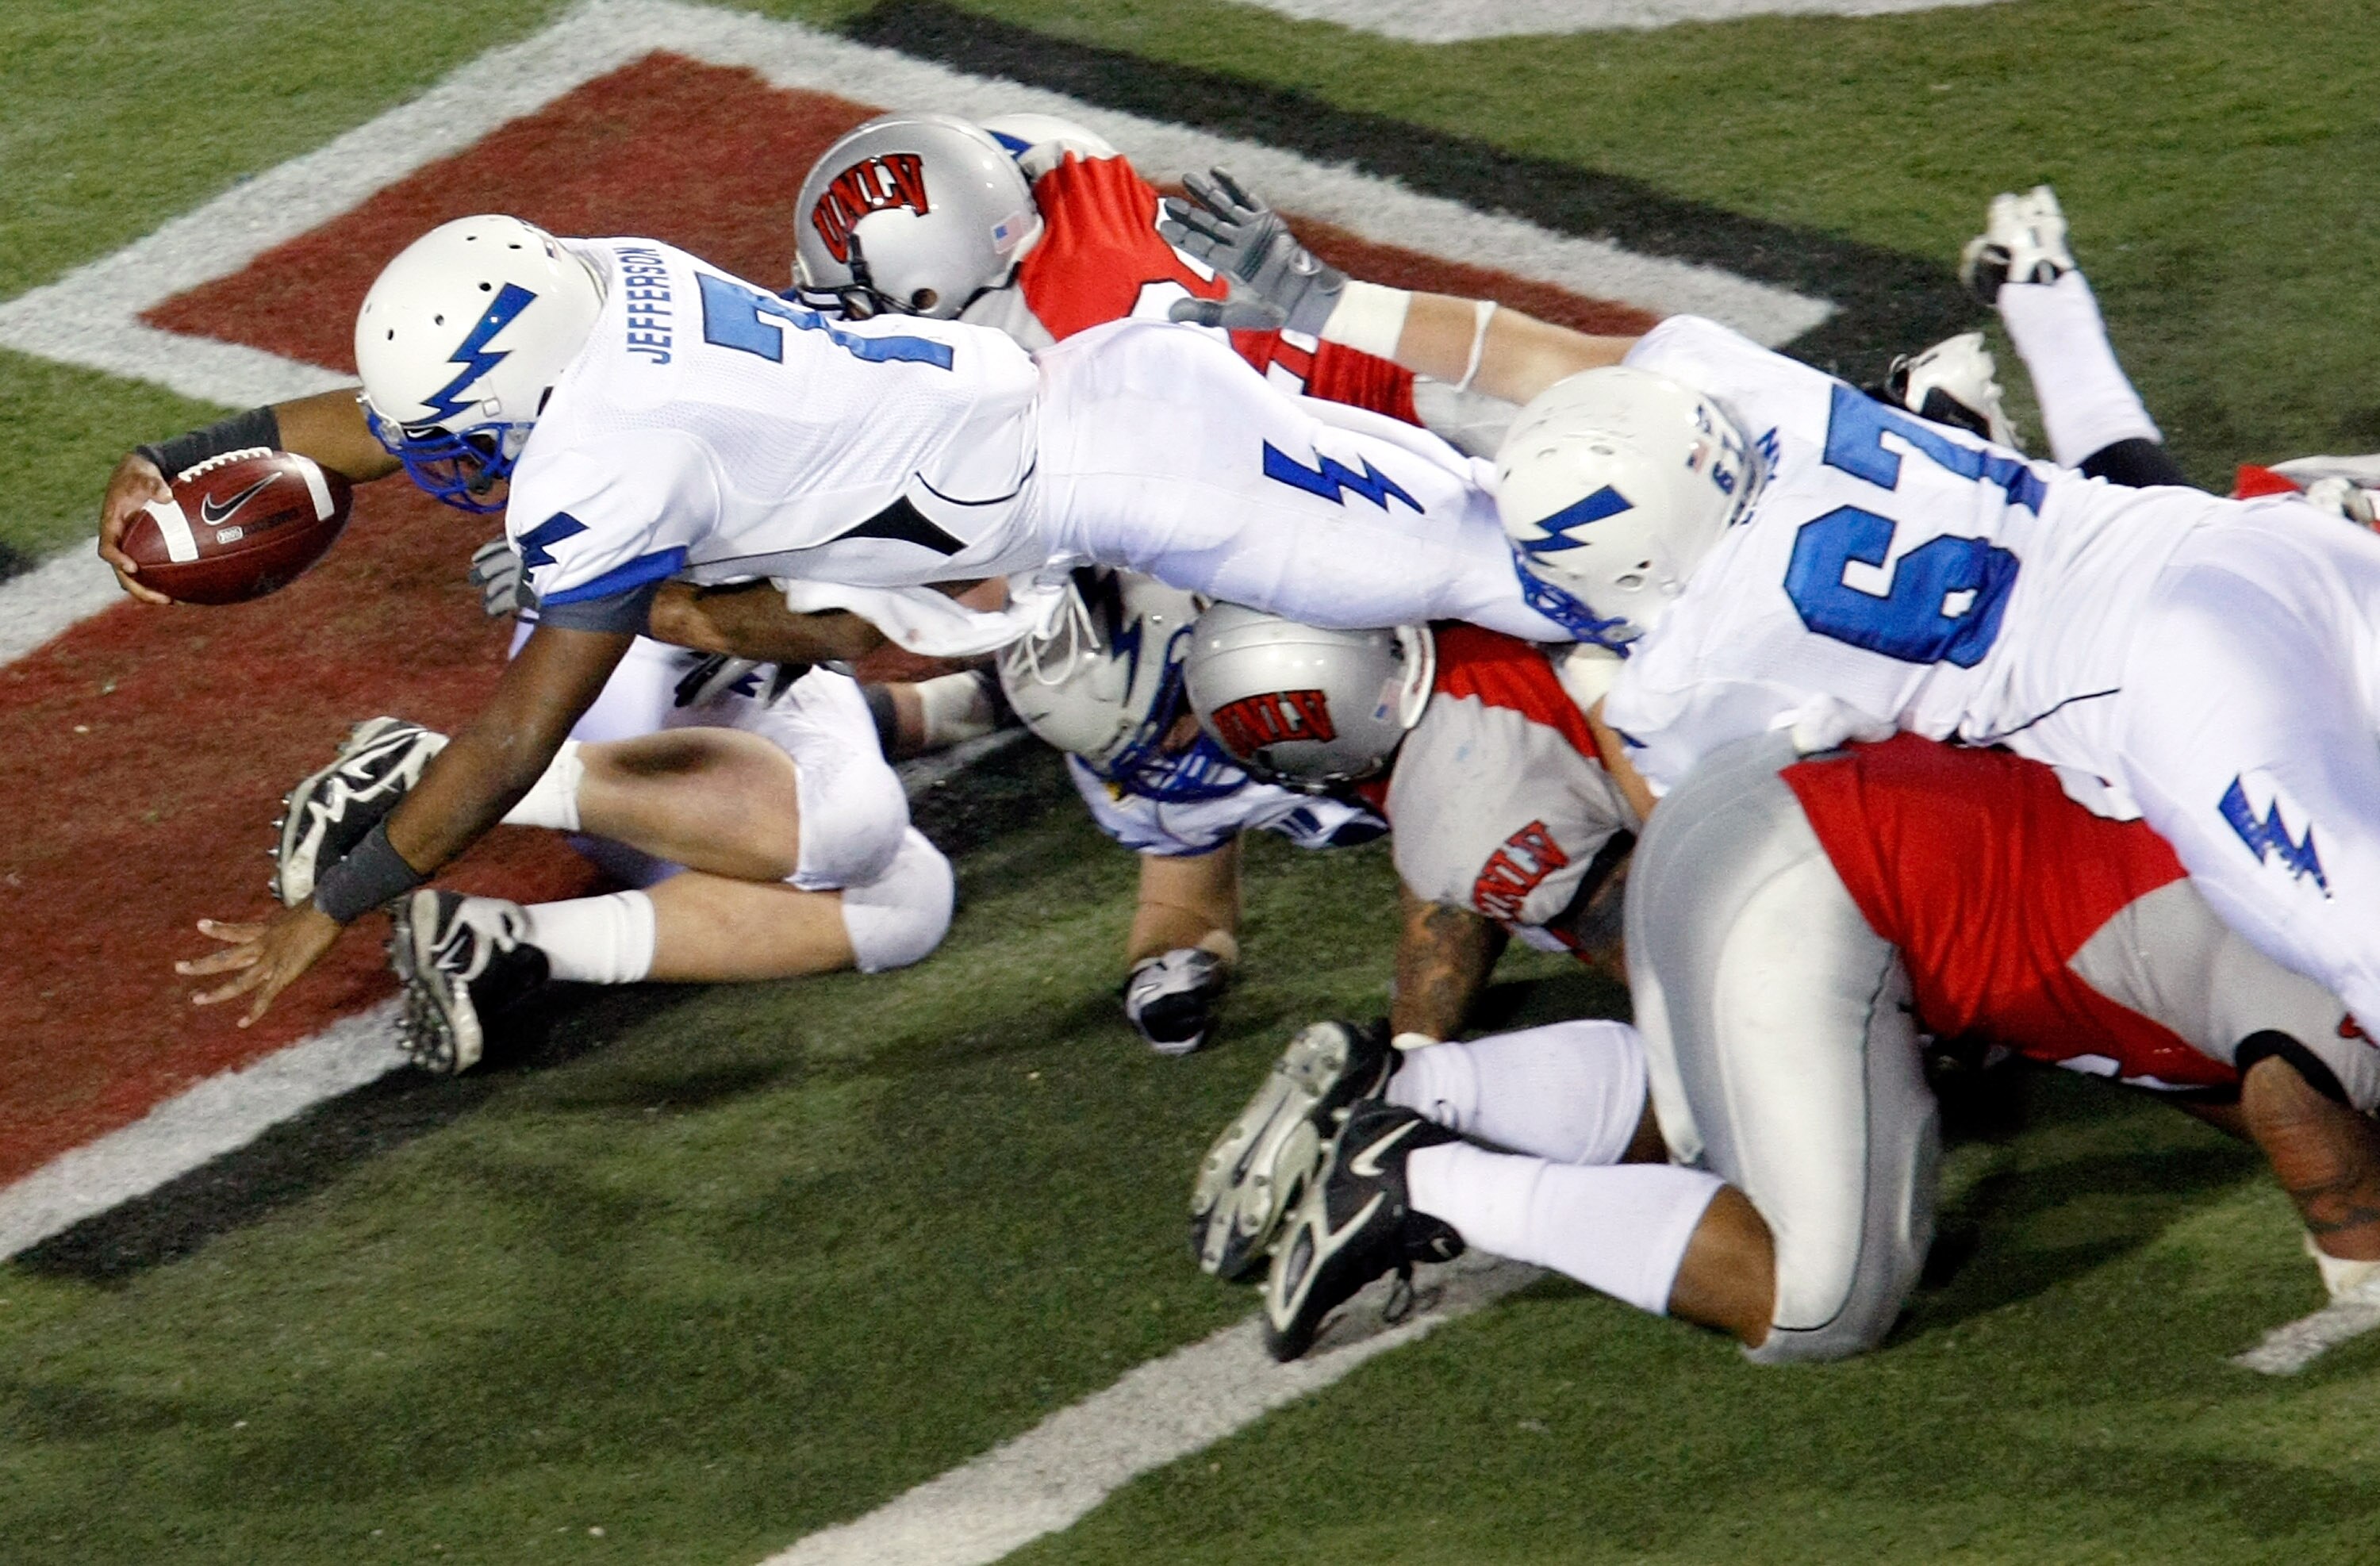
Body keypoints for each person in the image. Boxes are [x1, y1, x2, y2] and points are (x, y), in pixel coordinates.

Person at [1165, 172, 2380, 1052]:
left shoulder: (1692, 666)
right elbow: (1535, 349)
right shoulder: (1744, 389)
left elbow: (1709, 836)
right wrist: (1333, 303)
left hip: (2162, 693)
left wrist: (1598, 692)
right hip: (2232, 544)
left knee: (2349, 930)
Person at [1208, 733, 2380, 1362]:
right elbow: (2295, 1094)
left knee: (1720, 1106)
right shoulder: (2327, 938)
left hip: (1764, 803)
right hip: (1819, 885)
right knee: (1820, 1301)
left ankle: (1415, 1084)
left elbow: (2221, 1053)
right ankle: (1422, 1176)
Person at [257, 635, 953, 1073]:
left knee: (908, 899)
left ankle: (499, 945)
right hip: (649, 656)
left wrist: (981, 698)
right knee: (852, 819)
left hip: (646, 717)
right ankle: (426, 771)